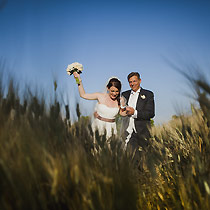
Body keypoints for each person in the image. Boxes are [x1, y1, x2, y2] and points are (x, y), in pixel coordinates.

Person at [73, 72, 126, 140]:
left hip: (111, 129)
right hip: (98, 126)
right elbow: (83, 95)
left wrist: (125, 108)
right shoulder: (100, 96)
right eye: (112, 91)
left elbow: (122, 114)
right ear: (107, 88)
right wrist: (78, 80)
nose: (114, 93)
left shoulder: (121, 100)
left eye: (117, 91)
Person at [121, 72, 155, 153]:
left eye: (134, 81)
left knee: (143, 158)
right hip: (127, 131)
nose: (132, 84)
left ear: (140, 81)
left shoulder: (148, 94)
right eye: (130, 82)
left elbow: (151, 113)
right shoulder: (124, 94)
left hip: (142, 132)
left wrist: (135, 113)